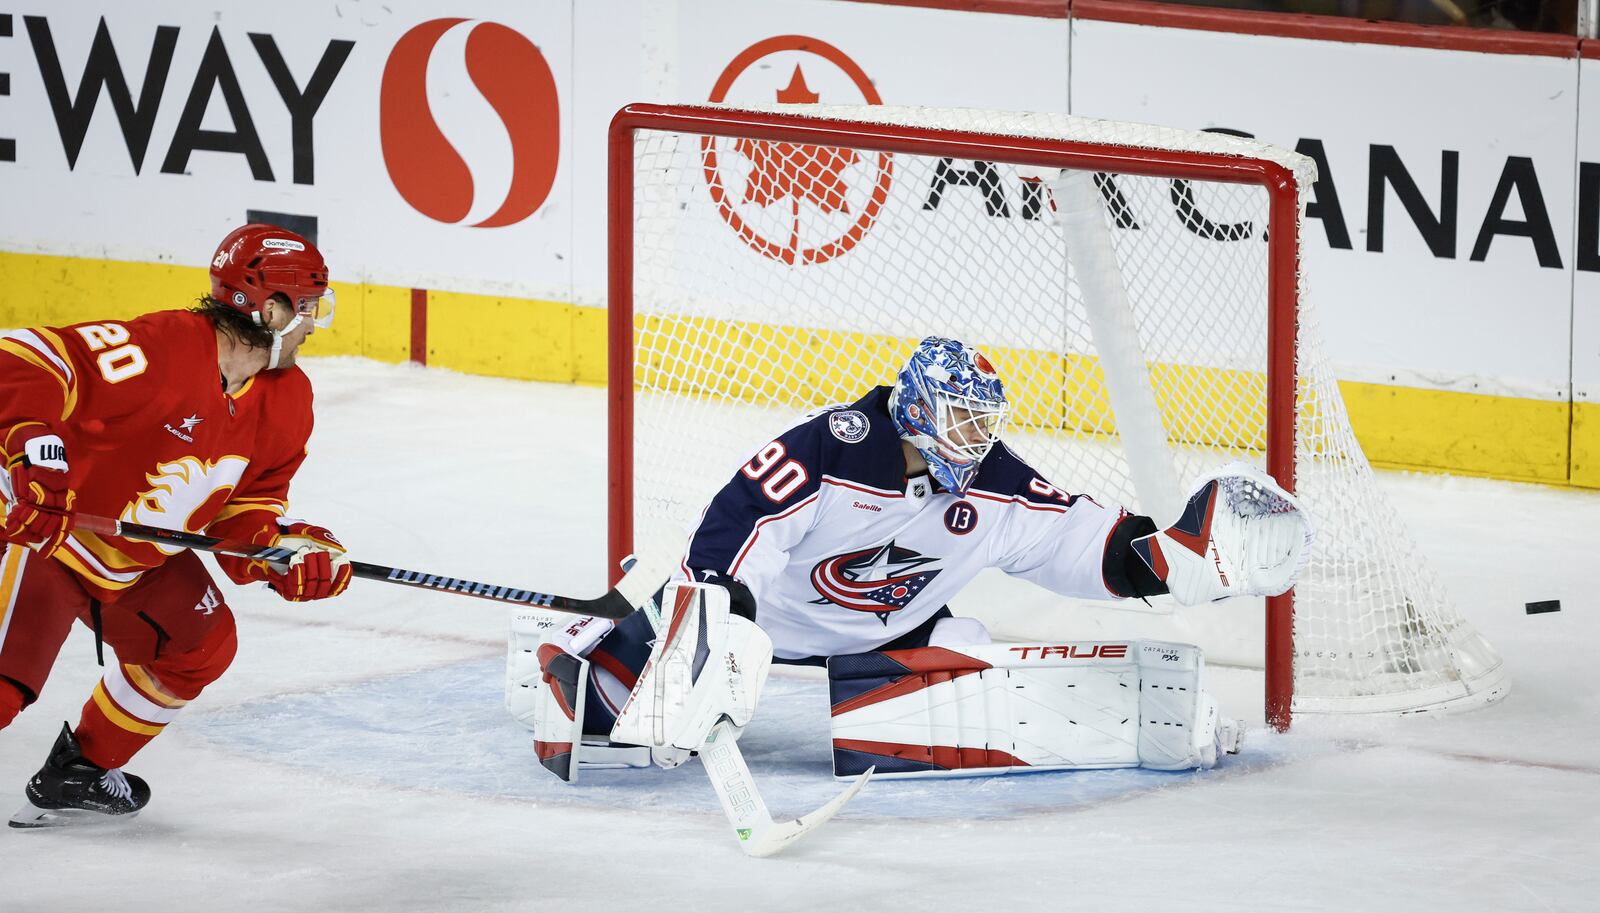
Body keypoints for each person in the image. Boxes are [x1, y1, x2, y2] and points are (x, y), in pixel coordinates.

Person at [512, 336, 1311, 780]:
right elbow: (741, 519)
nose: (976, 439)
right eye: (961, 420)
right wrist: (722, 622)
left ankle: (866, 702)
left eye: (983, 423)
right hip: (762, 619)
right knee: (614, 718)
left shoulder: (993, 486)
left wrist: (1167, 559)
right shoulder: (834, 446)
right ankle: (581, 653)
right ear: (919, 408)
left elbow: (1071, 535)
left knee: (960, 683)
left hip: (877, 642)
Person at [0, 223, 353, 827]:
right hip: (48, 539)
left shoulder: (289, 397)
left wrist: (286, 554)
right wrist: (34, 450)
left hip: (134, 560)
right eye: (308, 307)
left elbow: (248, 506)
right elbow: (21, 357)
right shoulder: (163, 349)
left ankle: (79, 770)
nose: (315, 324)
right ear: (268, 309)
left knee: (200, 646)